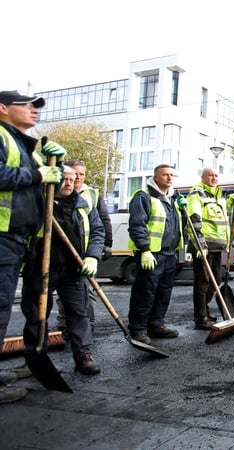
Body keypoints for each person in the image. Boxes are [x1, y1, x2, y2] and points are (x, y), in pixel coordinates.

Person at [0, 90, 64, 402]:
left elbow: (53, 186)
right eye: (27, 105)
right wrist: (38, 173)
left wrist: (58, 167)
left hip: (19, 239)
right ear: (2, 107)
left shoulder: (29, 148)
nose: (34, 110)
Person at [21, 166, 104, 375]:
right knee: (36, 315)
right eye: (64, 179)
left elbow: (97, 231)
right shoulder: (37, 201)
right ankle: (35, 357)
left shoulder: (82, 205)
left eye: (72, 179)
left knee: (79, 313)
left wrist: (92, 256)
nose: (69, 183)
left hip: (74, 269)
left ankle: (83, 355)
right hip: (41, 268)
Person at [53, 159, 113, 334]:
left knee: (85, 293)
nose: (76, 178)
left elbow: (102, 222)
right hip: (57, 255)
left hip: (83, 254)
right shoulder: (50, 194)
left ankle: (87, 327)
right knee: (60, 297)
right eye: (73, 175)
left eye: (80, 175)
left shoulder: (91, 195)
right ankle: (64, 326)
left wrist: (103, 247)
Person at [127, 164, 183, 344]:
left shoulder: (172, 199)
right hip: (151, 254)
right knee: (145, 291)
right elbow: (137, 225)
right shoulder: (143, 197)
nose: (169, 178)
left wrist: (183, 209)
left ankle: (156, 324)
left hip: (168, 253)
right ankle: (138, 328)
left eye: (171, 175)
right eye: (165, 175)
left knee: (163, 291)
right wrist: (144, 250)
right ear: (156, 177)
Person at [185, 167, 234, 329]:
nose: (214, 178)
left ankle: (205, 311)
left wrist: (229, 203)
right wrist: (200, 243)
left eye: (216, 175)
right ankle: (200, 317)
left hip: (217, 246)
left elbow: (219, 219)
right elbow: (194, 219)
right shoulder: (196, 194)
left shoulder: (218, 196)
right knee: (203, 282)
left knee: (216, 280)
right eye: (210, 175)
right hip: (203, 246)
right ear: (202, 177)